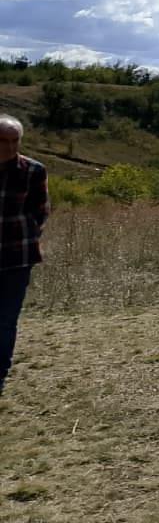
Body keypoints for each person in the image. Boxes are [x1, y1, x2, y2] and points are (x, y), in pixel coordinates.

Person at [0, 114, 48, 396]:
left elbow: (40, 211)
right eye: (2, 141)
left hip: (16, 258)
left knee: (6, 319)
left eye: (14, 141)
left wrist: (25, 235)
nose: (9, 146)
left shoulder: (33, 170)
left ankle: (0, 372)